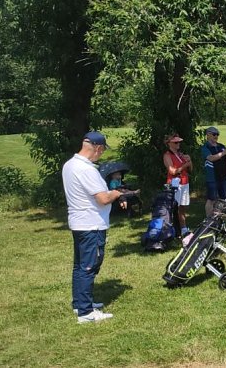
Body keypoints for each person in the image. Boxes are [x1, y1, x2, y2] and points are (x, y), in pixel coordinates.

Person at [63, 132, 124, 323]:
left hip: (79, 222)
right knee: (89, 267)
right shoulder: (86, 169)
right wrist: (116, 193)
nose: (102, 154)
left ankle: (80, 303)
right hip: (91, 224)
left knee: (80, 266)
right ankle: (86, 313)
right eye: (103, 150)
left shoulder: (70, 165)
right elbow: (103, 198)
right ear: (97, 148)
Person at [163, 133, 192, 236]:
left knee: (183, 207)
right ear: (169, 143)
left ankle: (183, 229)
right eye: (175, 142)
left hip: (185, 182)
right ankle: (172, 230)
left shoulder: (181, 154)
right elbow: (172, 171)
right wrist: (185, 165)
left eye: (179, 142)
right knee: (174, 208)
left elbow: (190, 169)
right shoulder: (167, 155)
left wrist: (189, 161)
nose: (178, 144)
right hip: (175, 185)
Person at [201, 126, 226, 217]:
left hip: (223, 176)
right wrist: (224, 153)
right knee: (211, 199)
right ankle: (209, 219)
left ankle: (220, 218)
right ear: (208, 135)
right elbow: (211, 158)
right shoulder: (205, 147)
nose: (216, 136)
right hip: (212, 177)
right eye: (214, 134)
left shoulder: (221, 146)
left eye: (217, 134)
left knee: (223, 198)